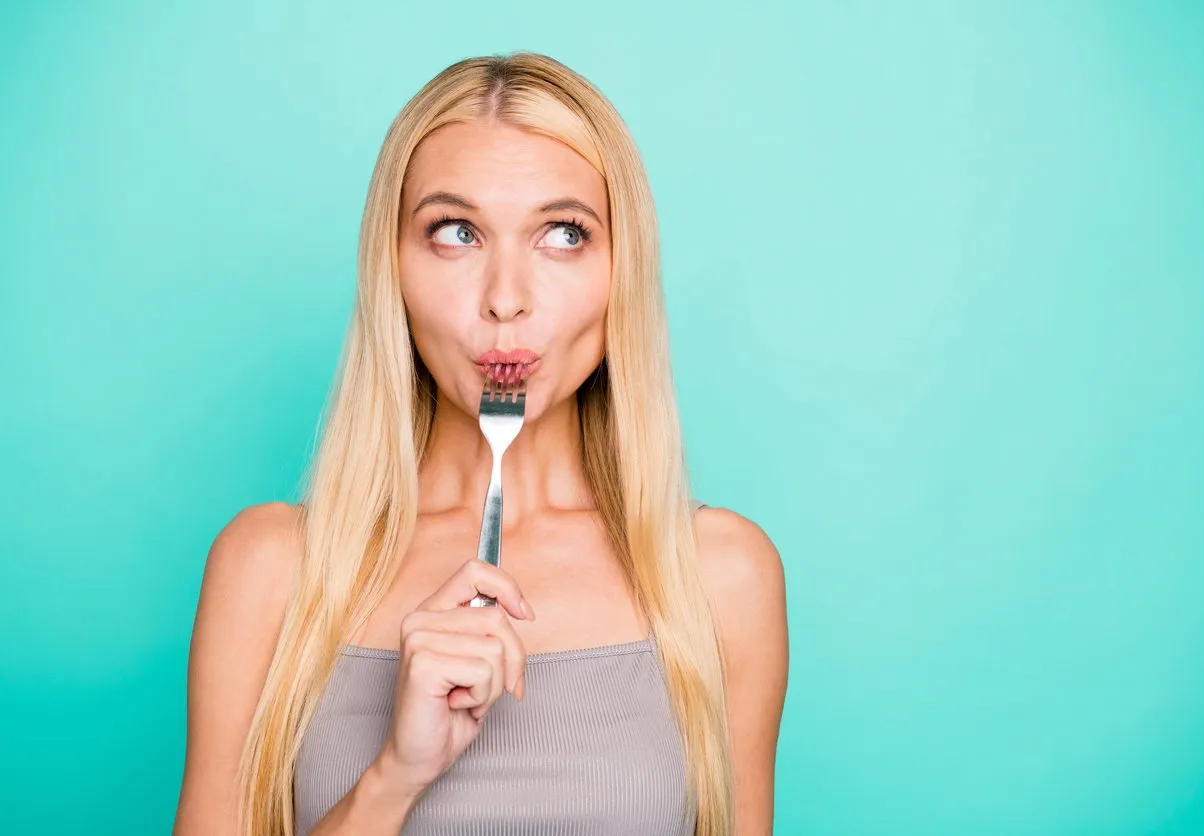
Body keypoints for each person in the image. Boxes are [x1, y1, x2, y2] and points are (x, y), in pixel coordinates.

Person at [172, 51, 788, 836]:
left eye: (563, 234)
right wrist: (395, 777)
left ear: (619, 270)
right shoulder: (269, 570)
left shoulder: (720, 577)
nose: (505, 299)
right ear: (390, 266)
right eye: (456, 233)